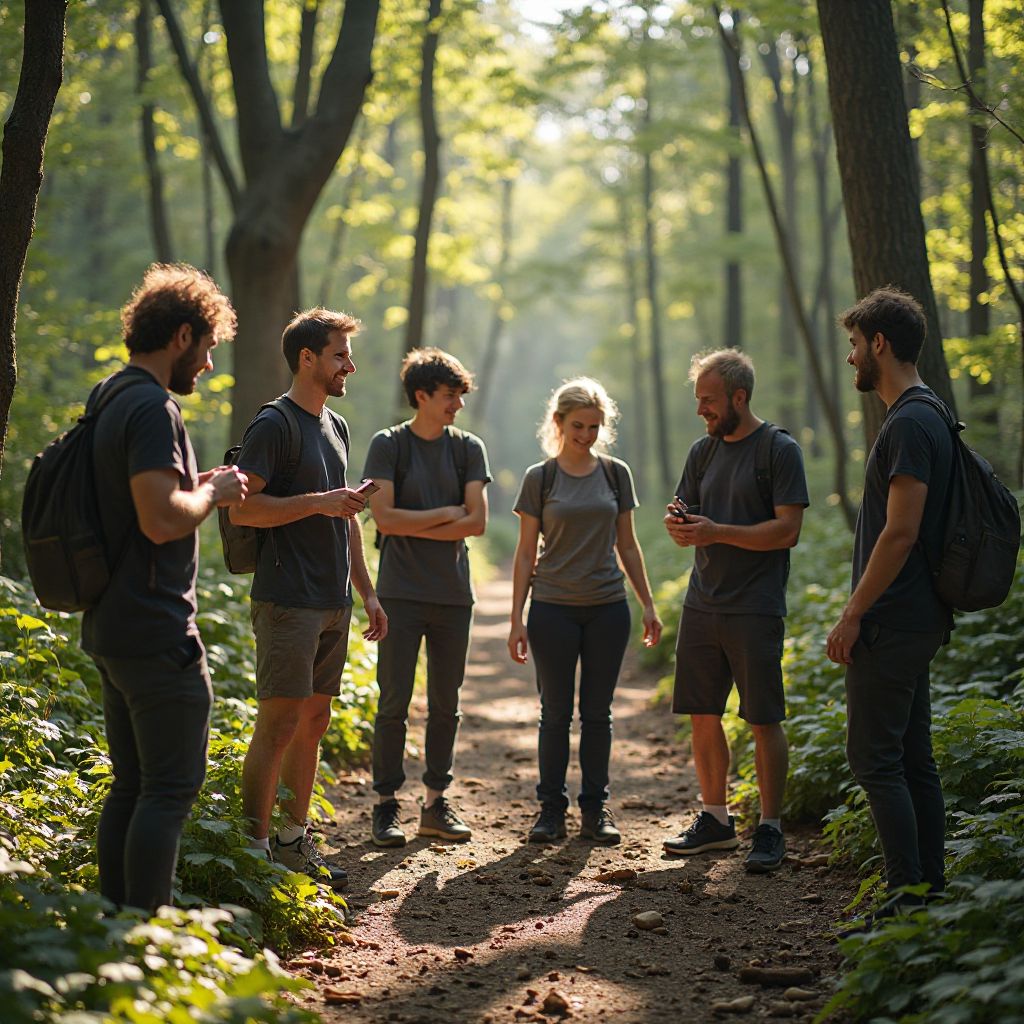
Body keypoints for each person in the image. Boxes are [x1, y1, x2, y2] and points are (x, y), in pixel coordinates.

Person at [82, 263, 248, 912]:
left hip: (109, 622)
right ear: (182, 336)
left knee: (131, 786)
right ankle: (145, 939)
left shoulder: (109, 396)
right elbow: (157, 518)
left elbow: (137, 503)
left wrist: (192, 485)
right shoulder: (153, 407)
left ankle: (113, 932)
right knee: (169, 789)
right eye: (207, 347)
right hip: (153, 628)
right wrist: (213, 491)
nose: (207, 363)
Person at [232, 308, 386, 889]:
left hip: (333, 600)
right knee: (278, 723)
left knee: (315, 721)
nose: (350, 363)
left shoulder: (337, 426)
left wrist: (367, 593)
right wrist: (319, 501)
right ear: (308, 359)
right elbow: (244, 507)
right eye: (340, 354)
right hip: (286, 599)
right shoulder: (273, 424)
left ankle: (295, 842)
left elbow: (345, 519)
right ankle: (254, 850)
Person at [826, 287, 953, 913]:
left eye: (855, 344)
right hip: (919, 615)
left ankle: (906, 897)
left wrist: (854, 614)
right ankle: (930, 889)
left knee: (875, 759)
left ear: (880, 343)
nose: (851, 358)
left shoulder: (908, 422)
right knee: (911, 757)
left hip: (894, 618)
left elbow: (900, 532)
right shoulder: (932, 413)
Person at [663, 349, 808, 873]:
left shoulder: (778, 450)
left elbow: (787, 530)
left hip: (756, 606)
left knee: (763, 718)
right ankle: (716, 820)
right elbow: (687, 513)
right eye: (698, 398)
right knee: (703, 712)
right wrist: (679, 525)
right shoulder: (702, 452)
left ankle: (769, 829)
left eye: (708, 399)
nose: (701, 408)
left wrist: (717, 530)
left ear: (739, 398)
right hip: (702, 602)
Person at [508, 378, 662, 846]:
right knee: (555, 713)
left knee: (598, 714)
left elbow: (628, 545)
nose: (586, 435)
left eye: (595, 427)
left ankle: (595, 809)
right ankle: (550, 810)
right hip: (552, 608)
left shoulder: (616, 474)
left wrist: (649, 604)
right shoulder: (541, 478)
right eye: (578, 425)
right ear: (558, 423)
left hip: (607, 609)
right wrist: (516, 617)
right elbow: (524, 553)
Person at [363, 348, 490, 847]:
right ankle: (385, 806)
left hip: (453, 596)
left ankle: (436, 803)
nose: (457, 404)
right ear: (421, 396)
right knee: (392, 701)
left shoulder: (468, 448)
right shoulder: (388, 445)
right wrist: (447, 512)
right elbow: (386, 519)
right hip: (399, 594)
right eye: (449, 395)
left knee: (446, 704)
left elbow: (477, 522)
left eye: (460, 395)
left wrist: (423, 521)